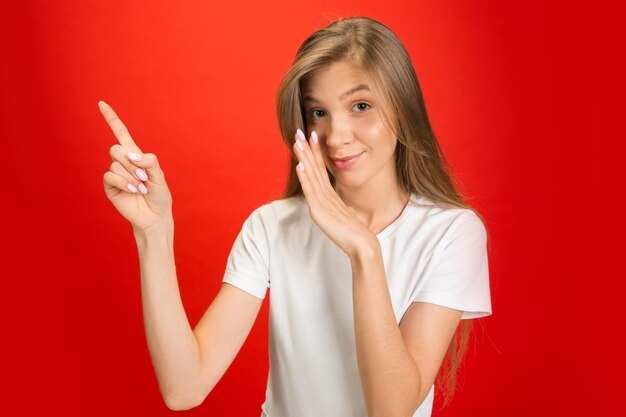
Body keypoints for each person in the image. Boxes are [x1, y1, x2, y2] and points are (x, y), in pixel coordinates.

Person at [100, 16, 491, 417]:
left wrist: (365, 251)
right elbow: (185, 388)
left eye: (360, 106)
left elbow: (392, 409)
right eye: (318, 112)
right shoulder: (273, 226)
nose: (337, 135)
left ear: (403, 107)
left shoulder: (451, 233)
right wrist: (154, 232)